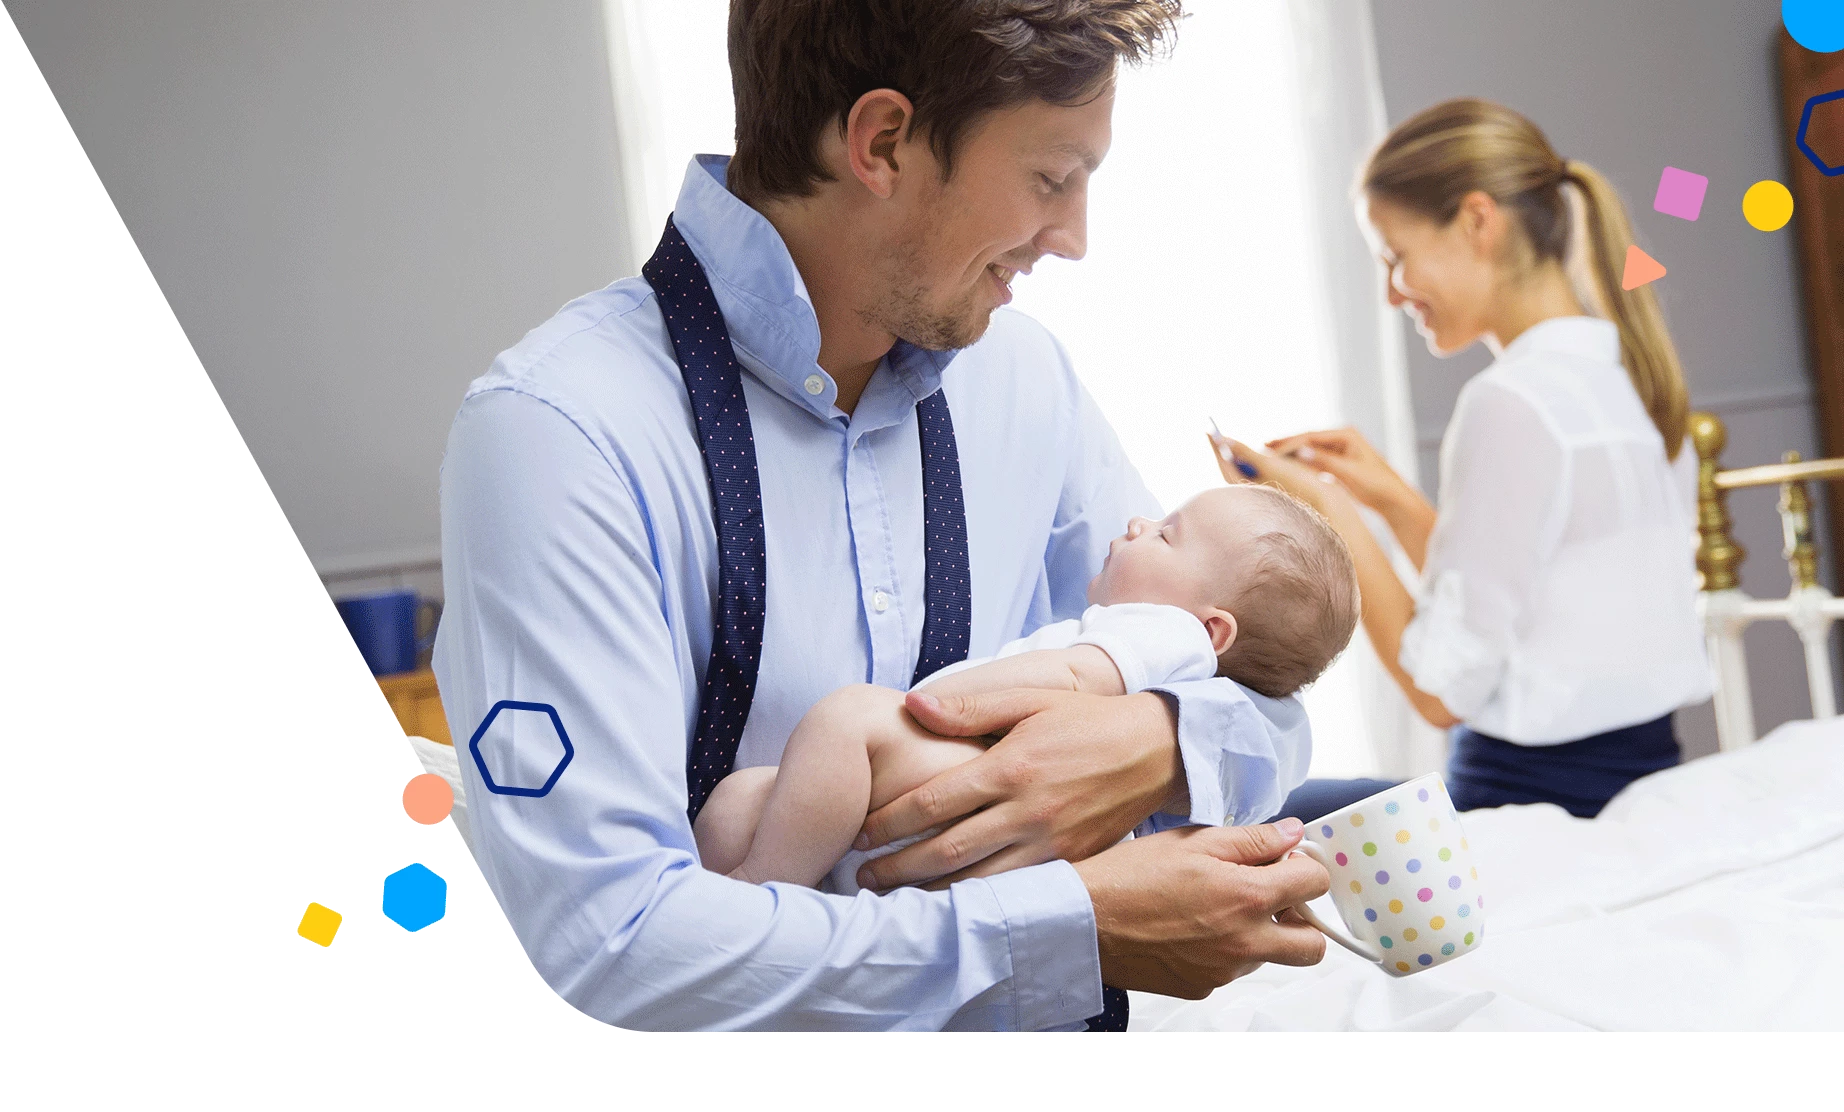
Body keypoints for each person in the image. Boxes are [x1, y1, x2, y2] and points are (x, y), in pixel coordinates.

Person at [434, 0, 1330, 1032]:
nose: (1074, 238)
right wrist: (1067, 926)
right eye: (1051, 177)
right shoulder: (560, 433)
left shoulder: (1025, 378)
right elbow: (611, 944)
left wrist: (1163, 737)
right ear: (883, 142)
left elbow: (1259, 671)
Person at [1216, 98, 1711, 823]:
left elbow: (1439, 693)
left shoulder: (1509, 401)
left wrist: (1332, 517)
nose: (1392, 293)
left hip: (1523, 804)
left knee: (1236, 813)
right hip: (1639, 782)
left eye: (1396, 257)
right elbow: (1525, 585)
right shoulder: (1632, 377)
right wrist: (1391, 499)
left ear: (1477, 221)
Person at [695, 484, 1360, 893]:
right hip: (975, 791)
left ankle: (763, 898)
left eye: (1165, 535)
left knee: (849, 720)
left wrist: (944, 702)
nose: (1137, 525)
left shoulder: (1168, 635)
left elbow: (1075, 676)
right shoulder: (1164, 633)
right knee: (739, 803)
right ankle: (784, 883)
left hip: (982, 764)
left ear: (1213, 629)